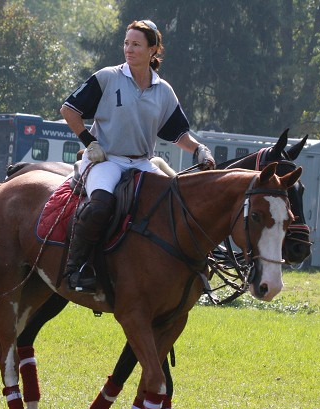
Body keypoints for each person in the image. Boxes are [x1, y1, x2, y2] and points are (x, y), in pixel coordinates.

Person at [59, 19, 215, 293]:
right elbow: (69, 110)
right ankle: (75, 268)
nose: (129, 50)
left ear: (153, 50)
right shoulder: (108, 77)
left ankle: (188, 267)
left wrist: (199, 149)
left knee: (177, 204)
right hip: (105, 160)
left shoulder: (163, 91)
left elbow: (179, 134)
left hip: (142, 162)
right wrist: (90, 142)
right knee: (100, 206)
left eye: (136, 45)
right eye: (126, 43)